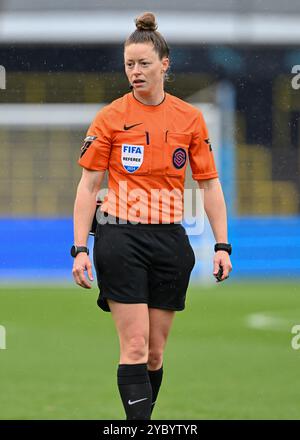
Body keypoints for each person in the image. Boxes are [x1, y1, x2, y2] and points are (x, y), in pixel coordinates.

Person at [71, 11, 232, 420]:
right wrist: (79, 249)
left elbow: (209, 185)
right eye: (129, 64)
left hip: (169, 240)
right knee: (136, 346)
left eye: (144, 63)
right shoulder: (111, 117)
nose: (135, 72)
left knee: (156, 354)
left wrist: (221, 244)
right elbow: (89, 187)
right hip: (119, 237)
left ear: (165, 64)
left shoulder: (189, 119)